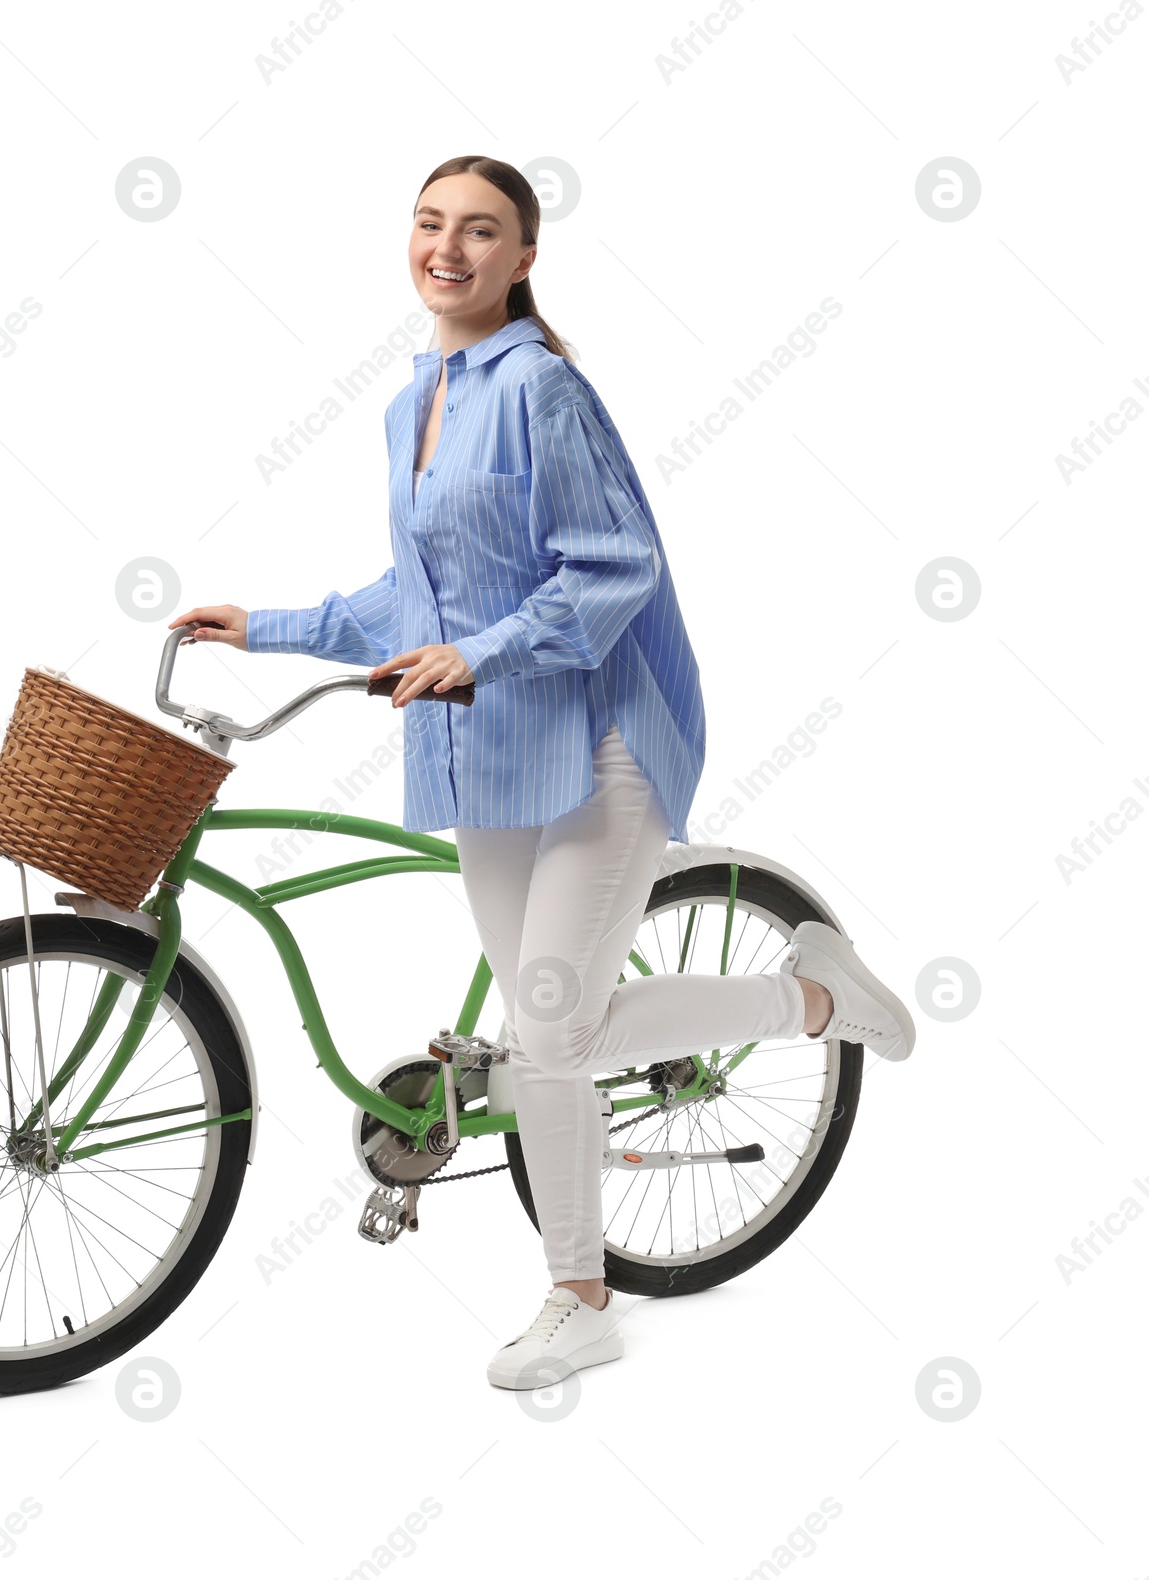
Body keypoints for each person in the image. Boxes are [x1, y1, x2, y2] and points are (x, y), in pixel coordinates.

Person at [167, 154, 915, 1391]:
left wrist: (484, 650)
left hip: (604, 729)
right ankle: (796, 1015)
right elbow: (418, 597)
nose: (446, 247)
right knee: (545, 1030)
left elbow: (613, 569)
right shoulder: (413, 402)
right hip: (488, 745)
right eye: (427, 223)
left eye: (479, 230)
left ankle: (604, 1268)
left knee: (555, 1025)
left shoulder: (542, 390)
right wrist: (275, 625)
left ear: (523, 259)